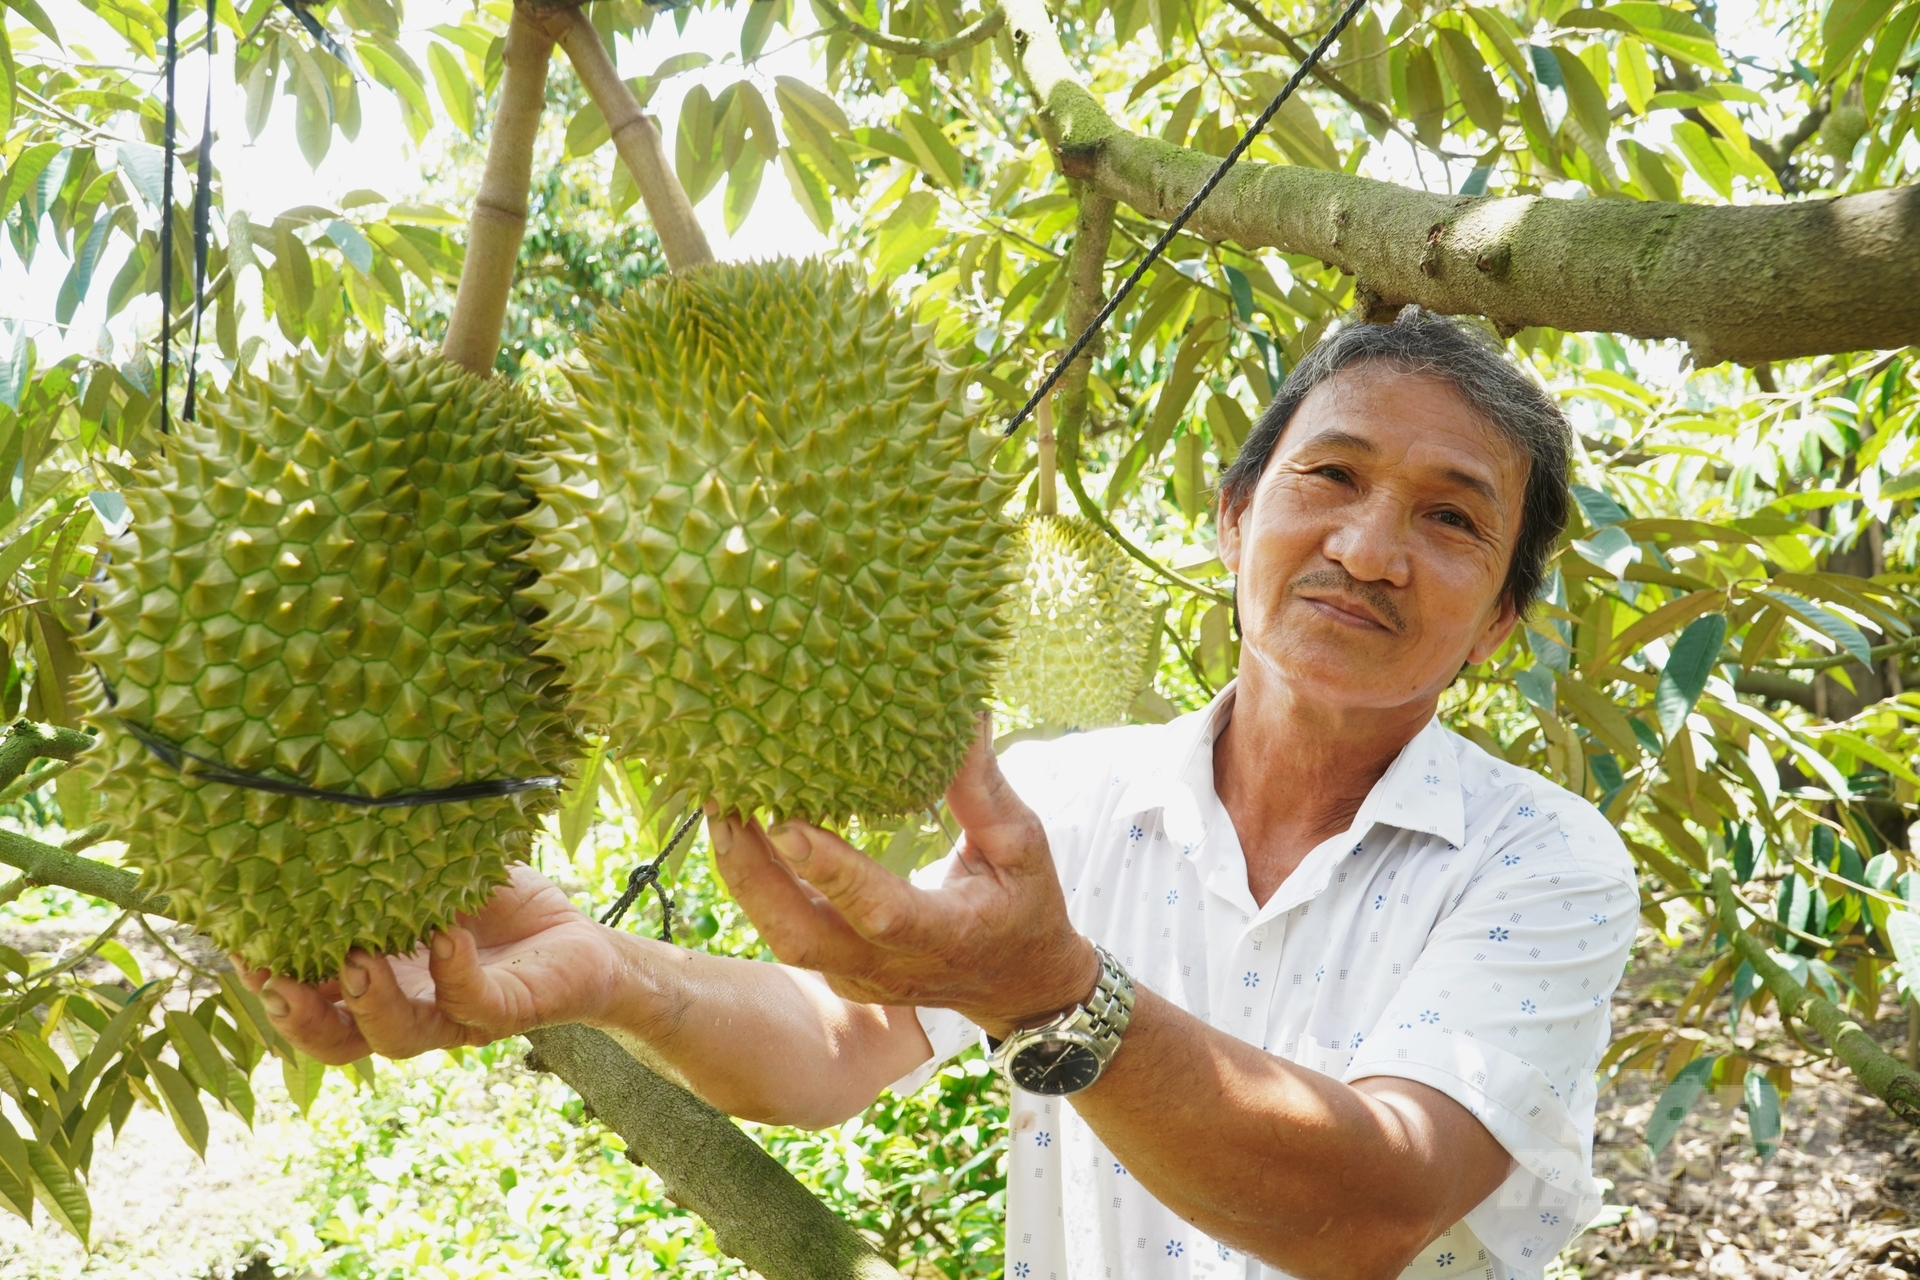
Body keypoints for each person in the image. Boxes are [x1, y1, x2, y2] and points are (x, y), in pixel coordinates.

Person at [245, 308, 1636, 1280]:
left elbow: (1368, 1213)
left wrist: (1049, 991)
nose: (1370, 547)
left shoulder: (1539, 862)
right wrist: (594, 965)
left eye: (1452, 518)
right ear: (1234, 519)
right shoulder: (1069, 802)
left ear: (1503, 616)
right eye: (1329, 476)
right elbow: (838, 1044)